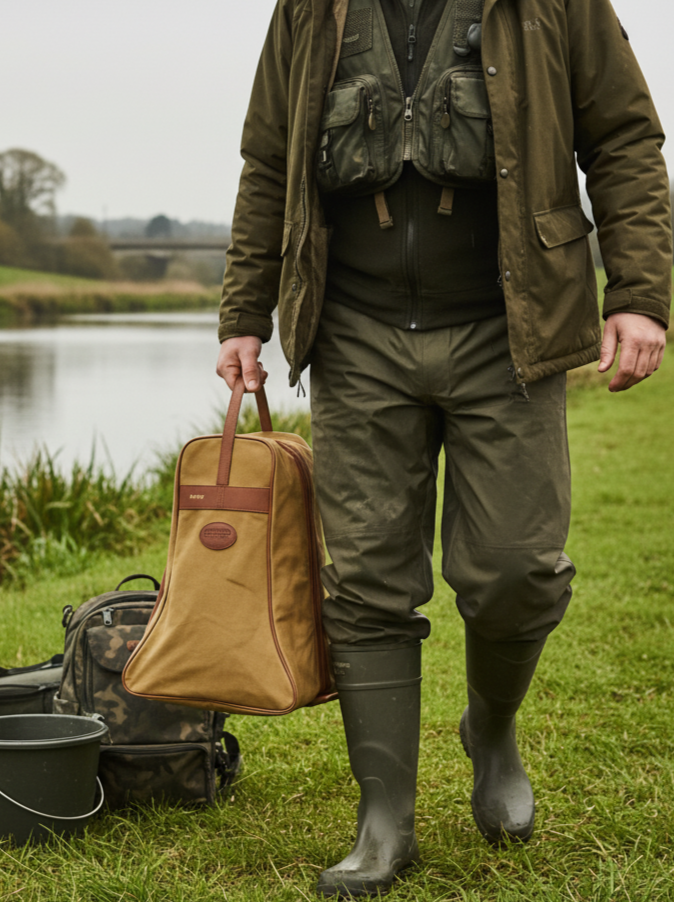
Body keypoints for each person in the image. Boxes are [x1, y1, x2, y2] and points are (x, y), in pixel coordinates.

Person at [215, 0, 671, 897]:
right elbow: (269, 158)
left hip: (512, 325)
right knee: (367, 579)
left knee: (515, 567)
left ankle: (491, 732)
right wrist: (243, 314)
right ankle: (384, 822)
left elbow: (623, 138)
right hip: (354, 328)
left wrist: (641, 293)